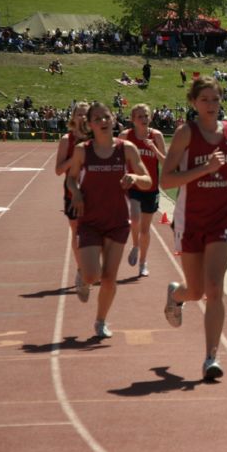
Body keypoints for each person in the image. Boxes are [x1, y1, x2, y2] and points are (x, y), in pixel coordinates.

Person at [160, 76, 227, 379]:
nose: (211, 105)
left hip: (222, 218)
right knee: (196, 290)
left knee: (214, 289)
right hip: (190, 219)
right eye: (205, 99)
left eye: (215, 99)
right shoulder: (185, 134)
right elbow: (166, 181)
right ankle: (177, 295)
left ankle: (211, 357)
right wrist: (204, 169)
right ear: (194, 103)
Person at [66, 103, 152, 338]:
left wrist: (134, 176)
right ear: (90, 125)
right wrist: (77, 192)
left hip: (117, 221)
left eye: (106, 117)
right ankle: (83, 276)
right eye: (97, 118)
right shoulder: (83, 150)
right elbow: (71, 179)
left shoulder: (127, 149)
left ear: (113, 120)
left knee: (109, 278)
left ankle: (101, 321)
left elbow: (148, 181)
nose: (103, 121)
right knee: (94, 275)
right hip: (90, 221)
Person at [119, 104, 166, 277]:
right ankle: (135, 245)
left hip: (151, 187)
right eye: (139, 116)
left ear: (151, 117)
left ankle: (143, 261)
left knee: (145, 229)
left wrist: (153, 148)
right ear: (133, 120)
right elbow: (118, 159)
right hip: (132, 186)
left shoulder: (157, 136)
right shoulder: (126, 136)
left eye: (146, 115)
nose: (143, 119)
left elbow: (166, 163)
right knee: (134, 218)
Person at [55, 102, 90, 290]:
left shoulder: (96, 138)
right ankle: (81, 269)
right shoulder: (66, 140)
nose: (82, 117)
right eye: (79, 114)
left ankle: (90, 267)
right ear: (73, 117)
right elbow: (58, 170)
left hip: (95, 195)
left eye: (86, 114)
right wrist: (75, 157)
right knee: (77, 235)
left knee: (97, 235)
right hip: (73, 194)